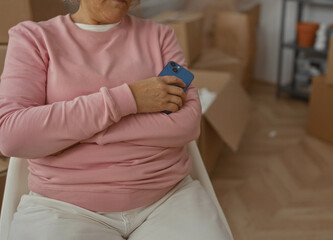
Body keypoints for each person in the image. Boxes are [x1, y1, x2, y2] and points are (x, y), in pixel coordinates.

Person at [0, 0, 231, 239]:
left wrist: (75, 132)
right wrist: (130, 99)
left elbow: (187, 124)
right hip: (63, 207)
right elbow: (12, 136)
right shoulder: (33, 38)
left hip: (167, 198)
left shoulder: (160, 36)